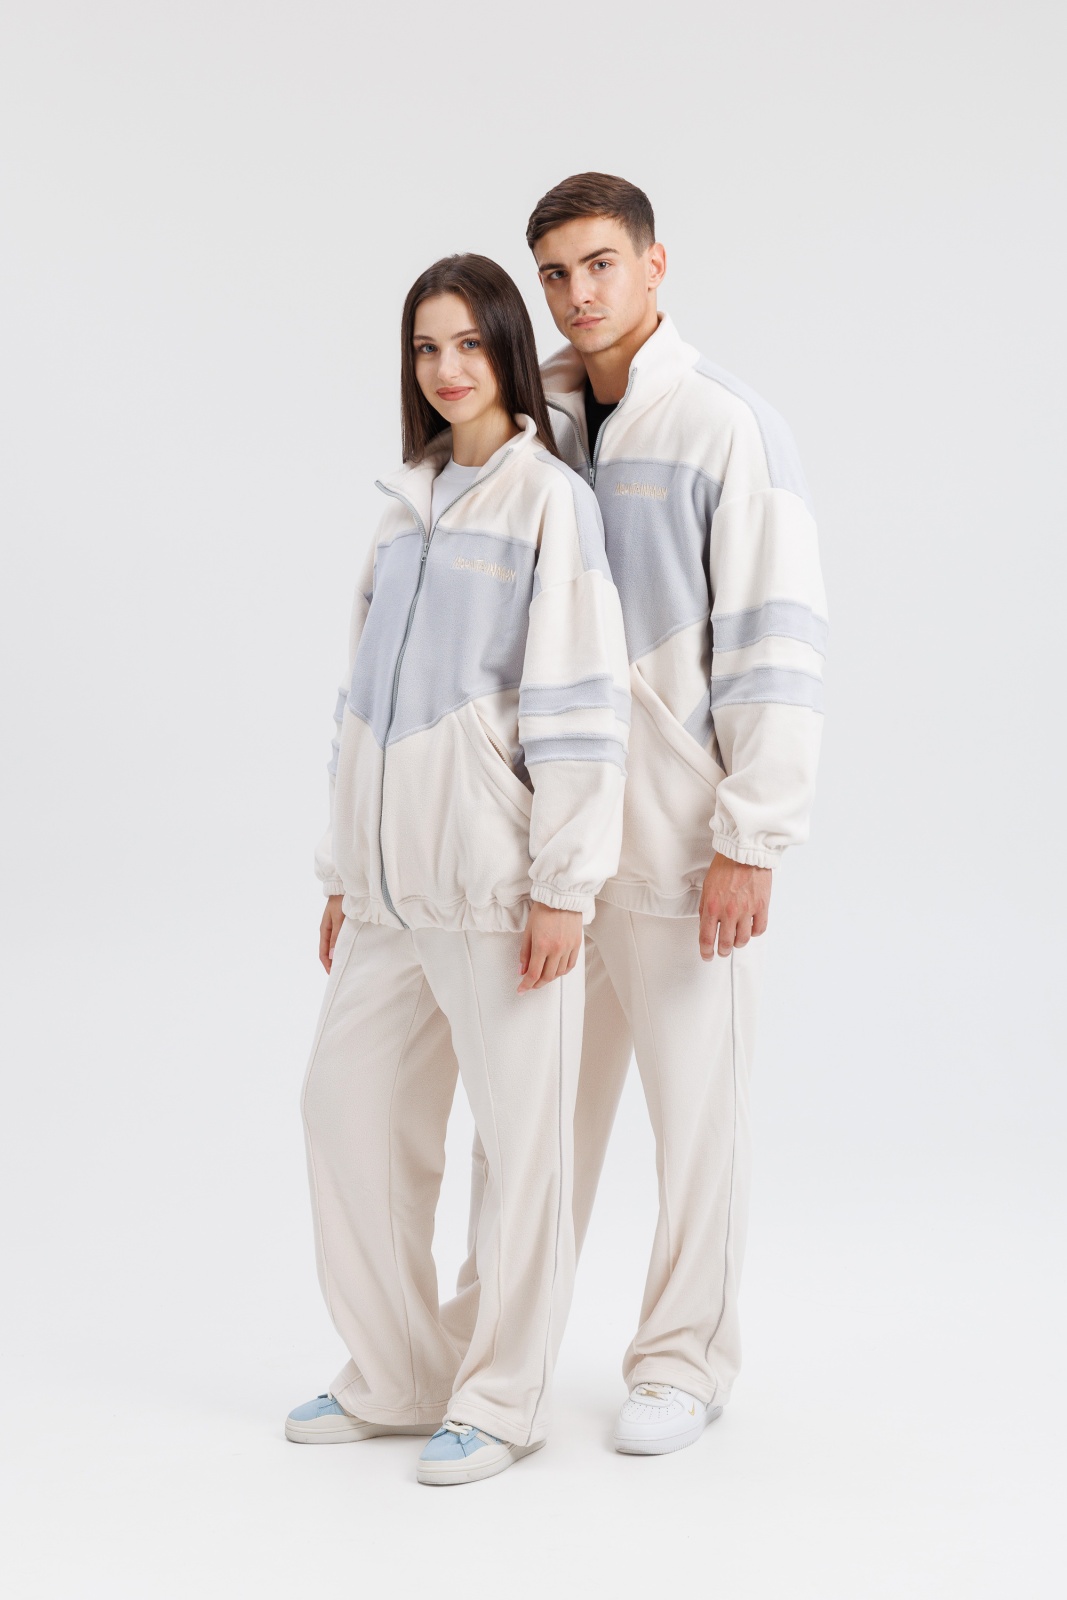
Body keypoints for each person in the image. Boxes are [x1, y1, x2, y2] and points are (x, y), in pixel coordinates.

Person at [455, 175, 827, 1455]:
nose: (577, 294)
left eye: (600, 264)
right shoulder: (537, 426)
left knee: (694, 1118)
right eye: (554, 274)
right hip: (552, 849)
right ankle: (492, 1356)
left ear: (655, 265)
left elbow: (774, 642)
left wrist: (750, 836)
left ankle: (683, 1359)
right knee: (527, 1126)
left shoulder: (728, 427)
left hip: (678, 844)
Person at [287, 253, 631, 1485]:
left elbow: (580, 701)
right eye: (424, 348)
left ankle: (503, 1396)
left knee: (521, 1147)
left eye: (467, 344)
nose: (444, 368)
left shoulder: (548, 502)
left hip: (495, 888)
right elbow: (359, 705)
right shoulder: (406, 505)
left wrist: (563, 886)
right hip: (390, 892)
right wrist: (342, 867)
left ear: (504, 349)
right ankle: (396, 1372)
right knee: (343, 1108)